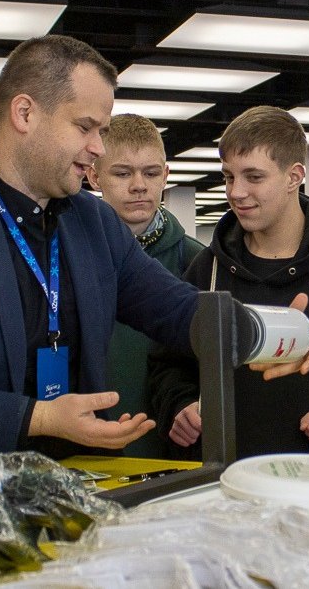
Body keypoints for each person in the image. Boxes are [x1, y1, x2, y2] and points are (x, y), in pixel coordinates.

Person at [0, 35, 309, 475]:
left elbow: (174, 308)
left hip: (63, 487)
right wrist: (39, 417)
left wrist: (271, 334)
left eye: (103, 130)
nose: (97, 147)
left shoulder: (92, 223)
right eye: (85, 127)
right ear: (25, 114)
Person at [150, 106, 309, 459]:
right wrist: (180, 405)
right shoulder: (206, 269)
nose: (236, 192)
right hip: (219, 477)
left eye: (254, 177)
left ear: (294, 177)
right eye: (229, 177)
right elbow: (167, 363)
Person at [85, 113, 204, 458]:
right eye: (122, 173)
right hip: (86, 443)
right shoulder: (66, 258)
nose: (139, 185)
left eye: (151, 173)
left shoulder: (196, 260)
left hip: (169, 446)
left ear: (165, 176)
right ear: (94, 176)